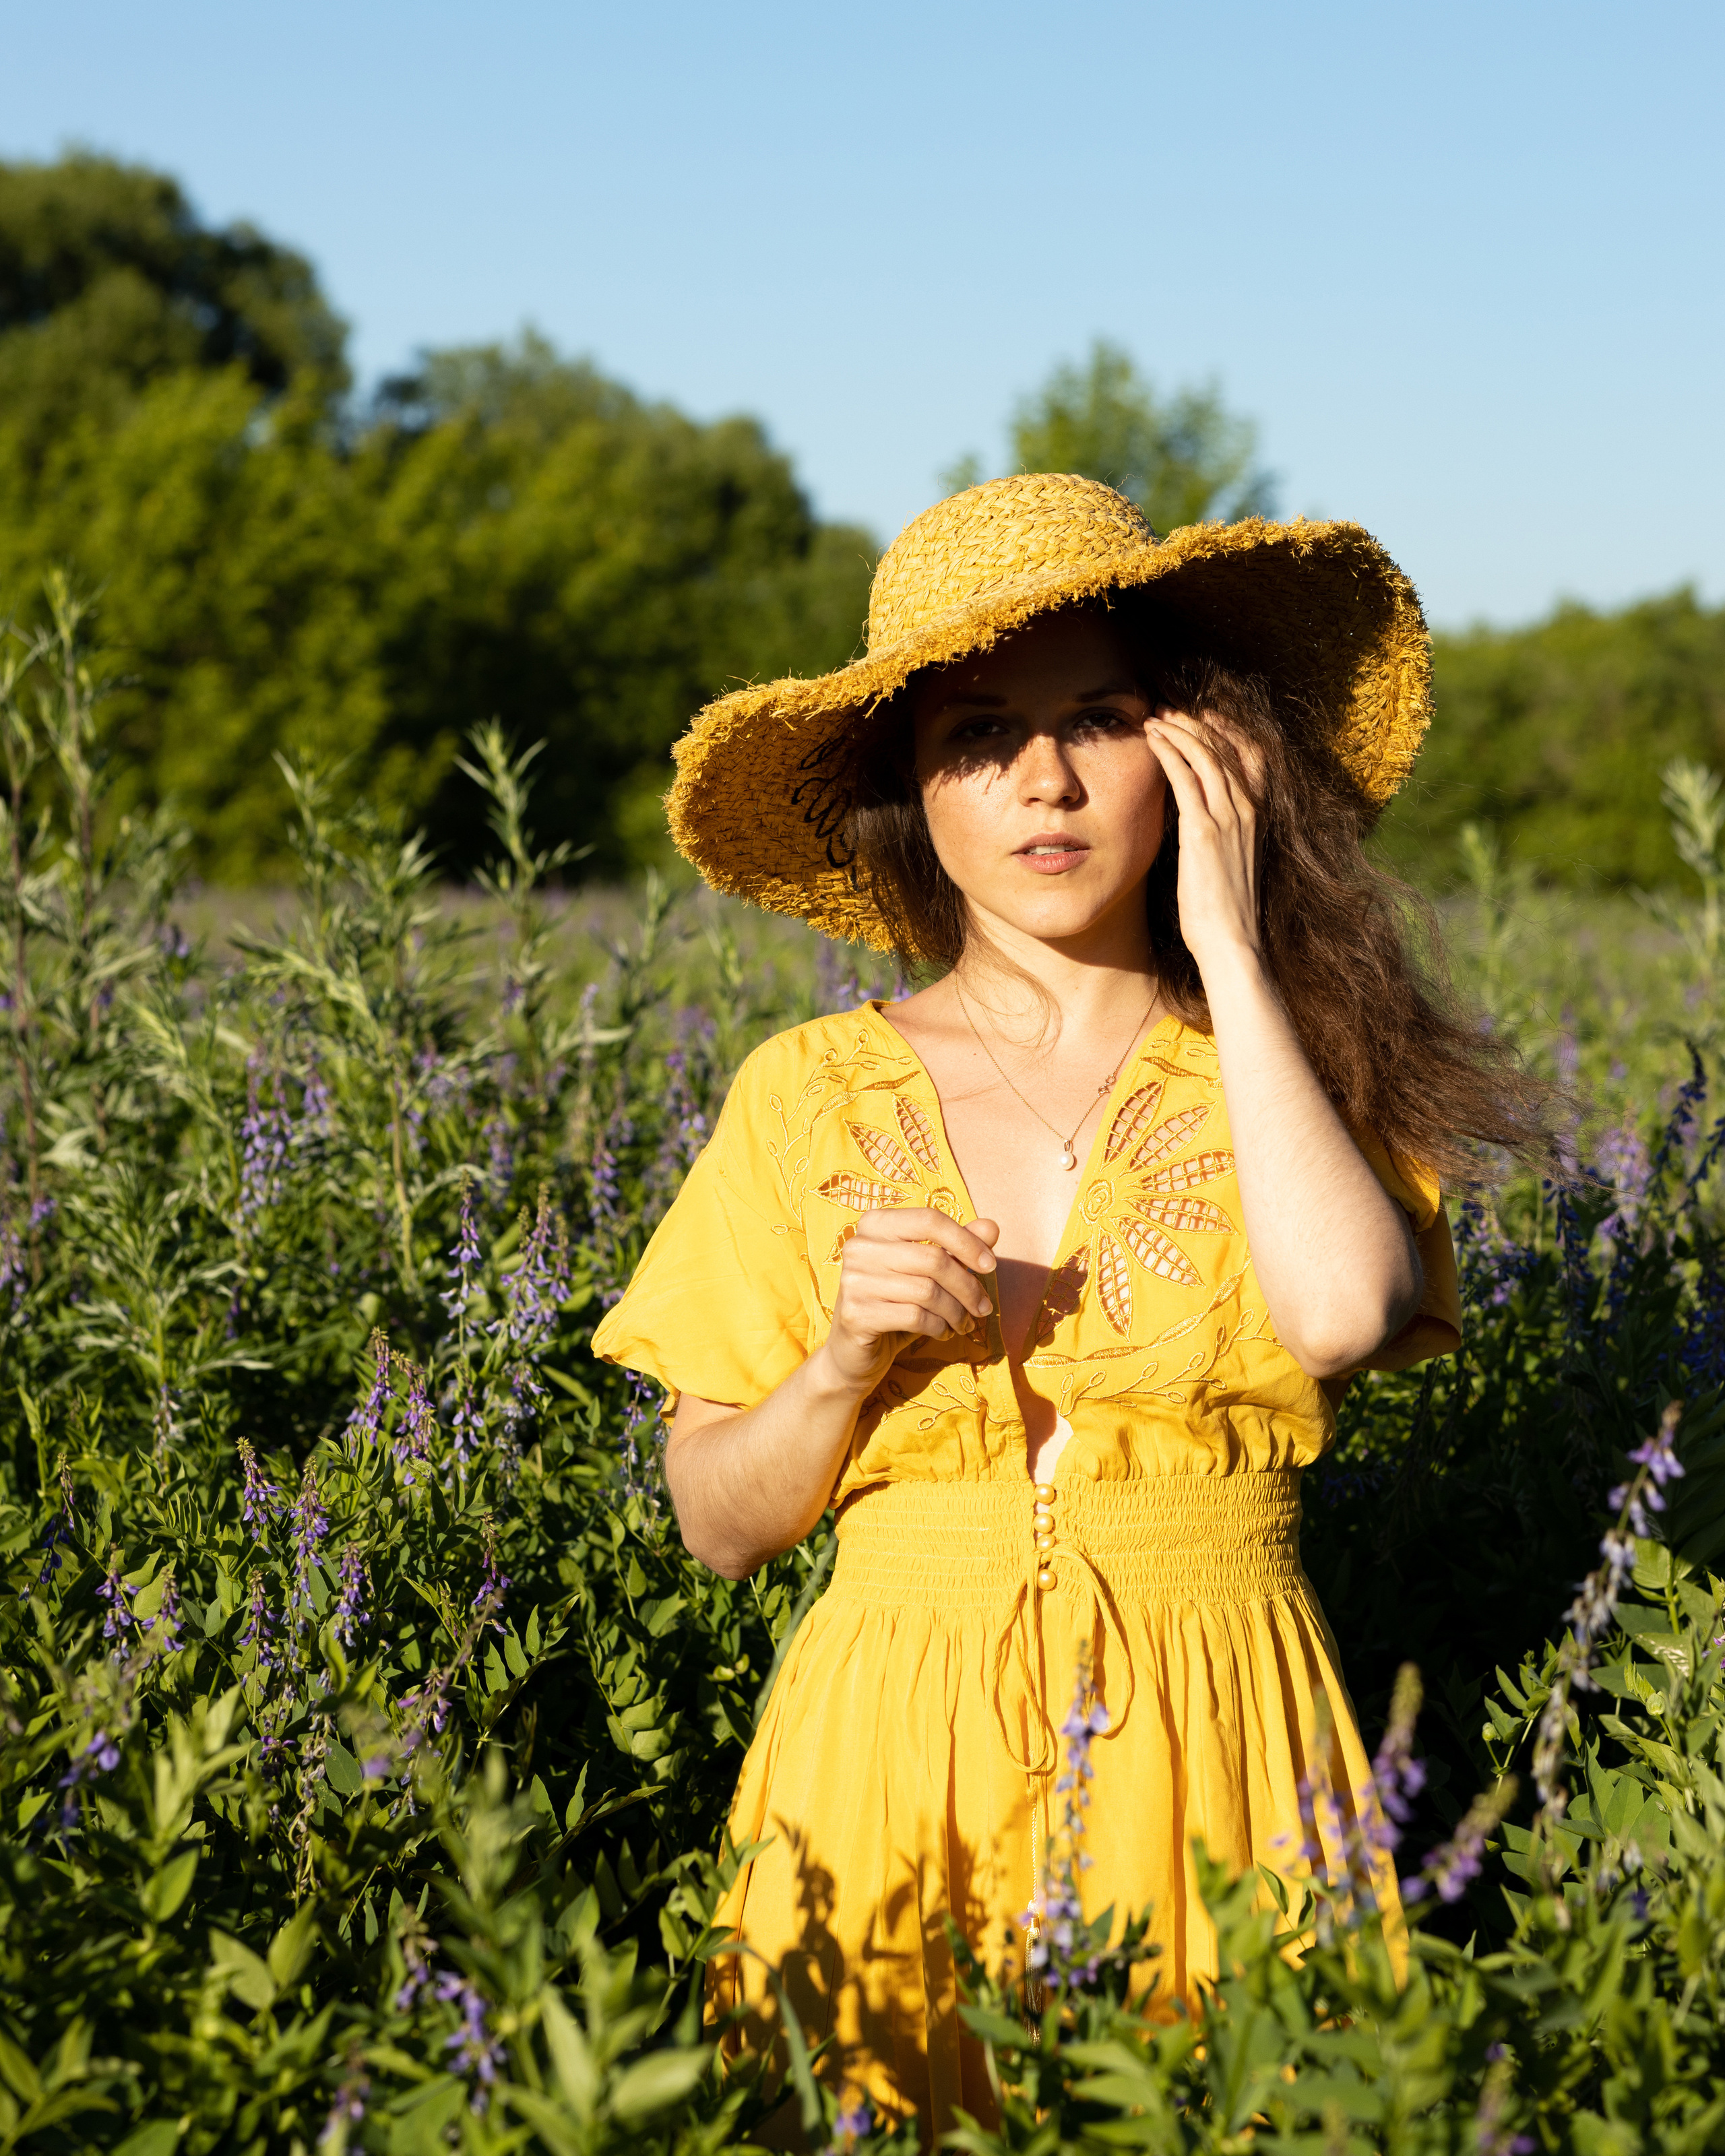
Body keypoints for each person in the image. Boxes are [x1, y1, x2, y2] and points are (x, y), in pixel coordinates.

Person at [592, 474, 1541, 2142]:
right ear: (912, 791)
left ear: (1195, 757)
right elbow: (716, 1525)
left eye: (1097, 720)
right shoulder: (805, 1092)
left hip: (1220, 1730)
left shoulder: (1290, 1065)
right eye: (975, 734)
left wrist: (1234, 951)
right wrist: (838, 1361)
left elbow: (1337, 1315)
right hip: (887, 1746)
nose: (1040, 778)